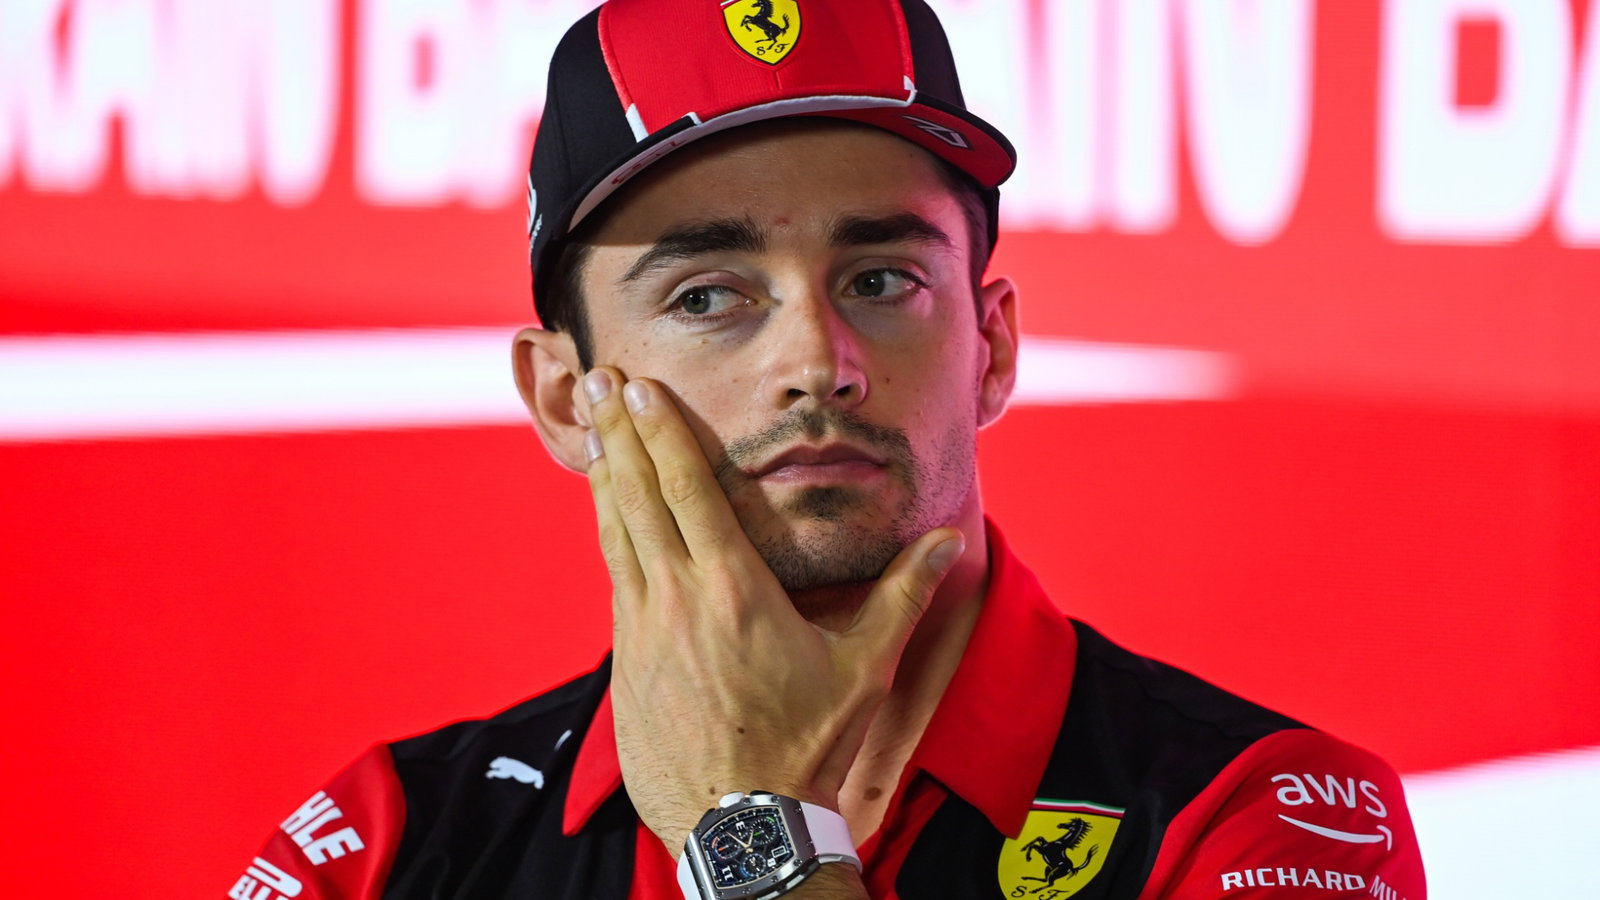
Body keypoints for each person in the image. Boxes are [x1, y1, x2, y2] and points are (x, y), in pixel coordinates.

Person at [228, 1, 1427, 898]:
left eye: (880, 278)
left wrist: (748, 830)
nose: (822, 359)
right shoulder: (386, 844)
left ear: (992, 345)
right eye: (707, 297)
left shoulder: (1263, 815)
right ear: (563, 399)